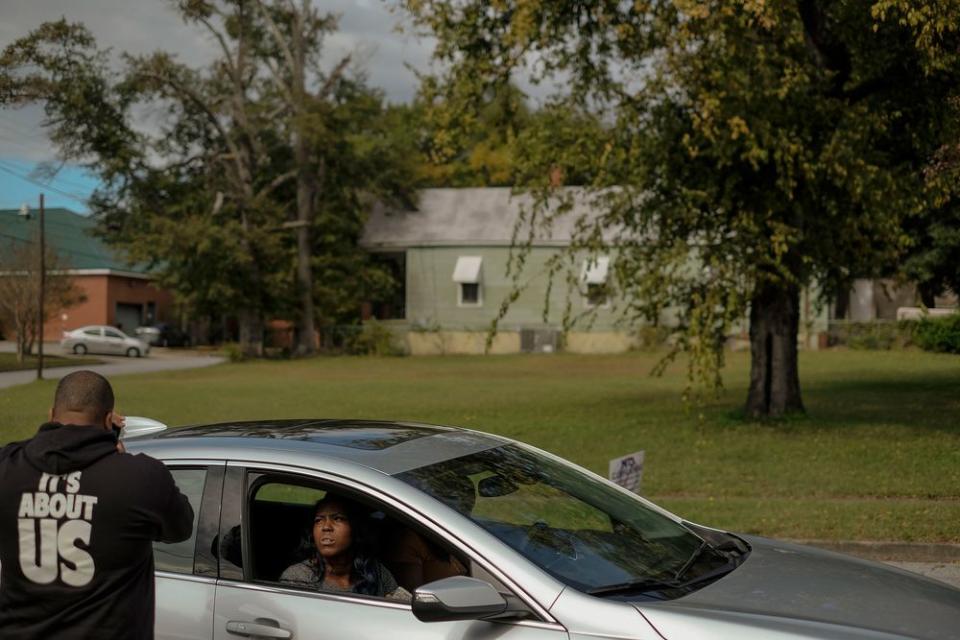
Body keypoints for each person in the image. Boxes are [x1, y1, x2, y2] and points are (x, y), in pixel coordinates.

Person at [0, 370, 195, 640]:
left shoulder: (7, 468)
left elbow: (23, 449)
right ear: (107, 419)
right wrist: (109, 442)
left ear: (50, 416)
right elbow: (181, 528)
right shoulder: (140, 478)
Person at [279, 494, 410, 602]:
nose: (326, 527)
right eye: (318, 520)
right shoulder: (298, 578)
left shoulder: (376, 572)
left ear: (356, 528)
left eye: (337, 519)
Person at [384, 472, 474, 592]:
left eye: (469, 497)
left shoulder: (466, 530)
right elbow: (412, 597)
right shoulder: (410, 540)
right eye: (453, 498)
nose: (465, 506)